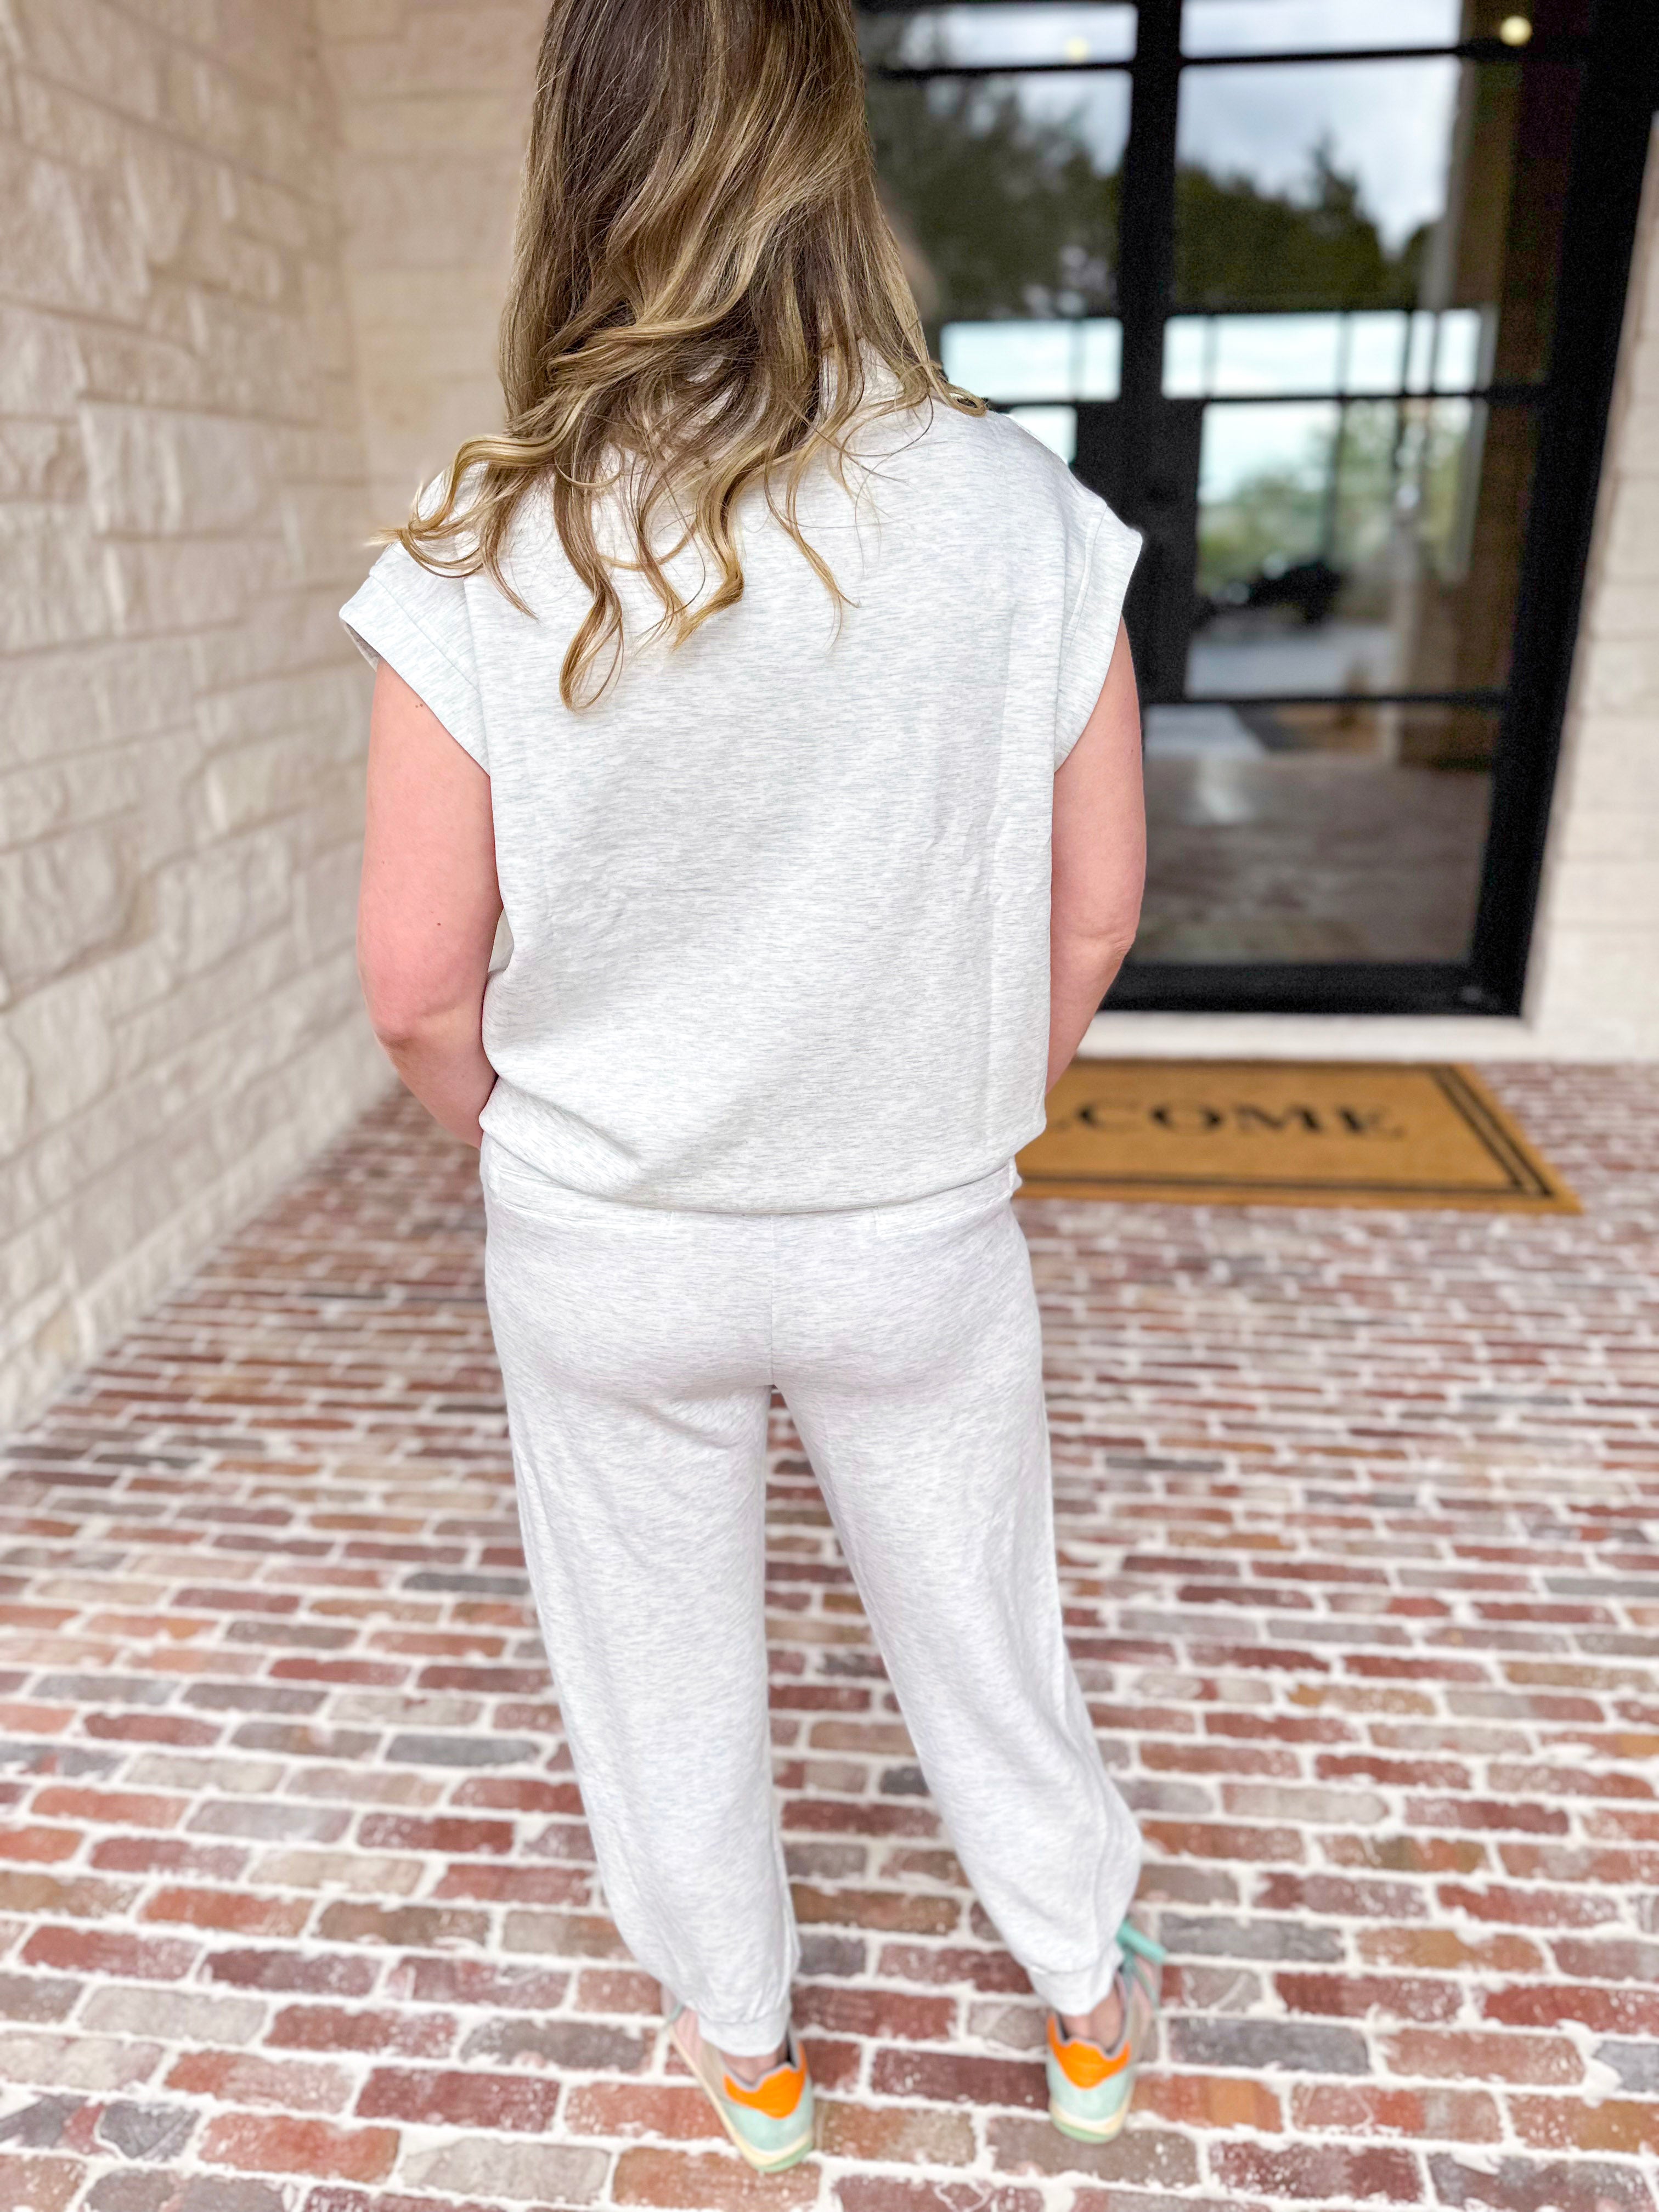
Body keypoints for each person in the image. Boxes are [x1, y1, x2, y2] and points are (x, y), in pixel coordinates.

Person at [341, 0, 1157, 2174]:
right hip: (914, 1233)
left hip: (608, 1243)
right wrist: (946, 1110)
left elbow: (414, 986)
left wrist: (556, 1158)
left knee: (654, 1659)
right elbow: (1095, 915)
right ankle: (1085, 1999)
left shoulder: (485, 541)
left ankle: (752, 2049)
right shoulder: (1020, 512)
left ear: (580, 164)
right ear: (831, 152)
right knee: (985, 1626)